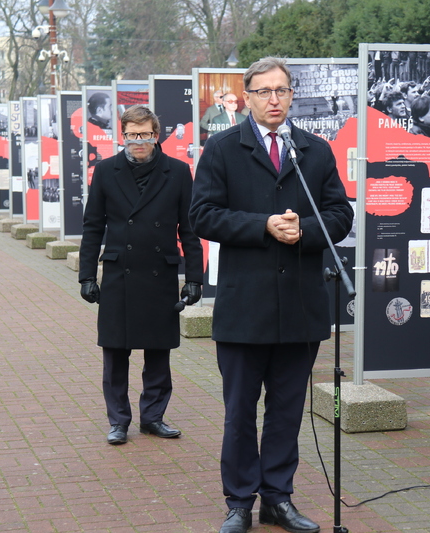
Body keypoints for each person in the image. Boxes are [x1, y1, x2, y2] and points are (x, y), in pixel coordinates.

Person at [189, 57, 353, 533]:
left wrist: (304, 229)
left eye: (281, 90)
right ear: (248, 97)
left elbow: (341, 215)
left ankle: (277, 499)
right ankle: (239, 502)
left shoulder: (314, 152)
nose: (274, 99)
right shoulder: (222, 149)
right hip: (245, 307)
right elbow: (203, 215)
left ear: (291, 94)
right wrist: (262, 226)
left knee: (285, 412)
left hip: (300, 308)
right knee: (240, 412)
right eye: (263, 91)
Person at [78, 105, 204, 446]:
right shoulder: (106, 171)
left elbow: (189, 229)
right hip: (119, 273)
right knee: (115, 353)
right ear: (123, 135)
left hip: (159, 272)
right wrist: (86, 275)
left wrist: (195, 278)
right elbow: (93, 227)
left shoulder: (177, 172)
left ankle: (153, 417)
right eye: (132, 135)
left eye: (145, 134)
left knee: (158, 352)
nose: (138, 141)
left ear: (155, 135)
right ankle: (118, 421)